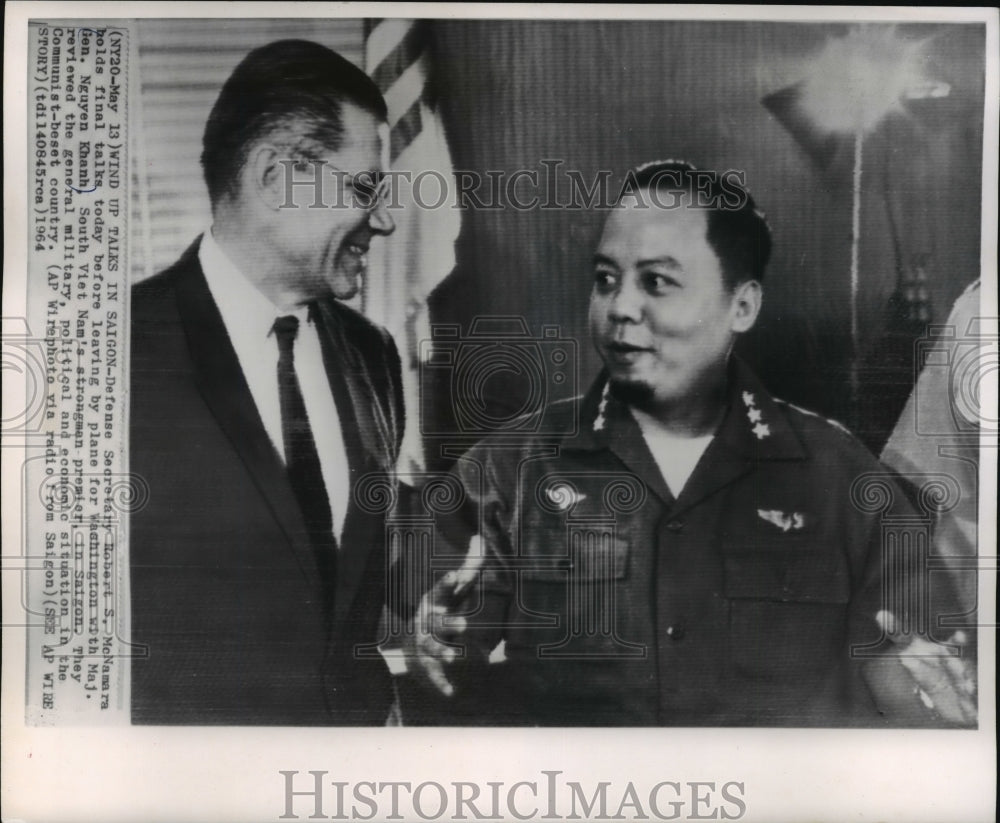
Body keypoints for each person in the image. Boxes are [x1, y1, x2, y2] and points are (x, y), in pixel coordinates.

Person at [405, 161, 977, 727]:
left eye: (656, 281)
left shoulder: (839, 477)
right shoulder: (512, 468)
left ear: (742, 306)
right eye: (605, 279)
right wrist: (422, 630)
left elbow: (910, 681)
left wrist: (920, 684)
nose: (620, 307)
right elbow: (431, 640)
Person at [129, 40, 403, 725]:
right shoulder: (114, 353)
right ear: (278, 178)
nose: (386, 219)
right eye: (366, 189)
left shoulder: (374, 357)